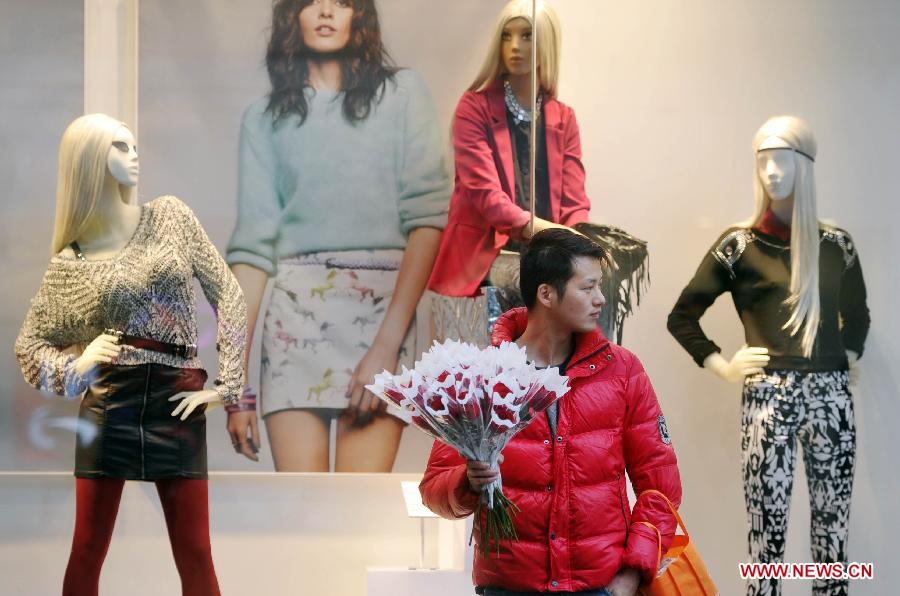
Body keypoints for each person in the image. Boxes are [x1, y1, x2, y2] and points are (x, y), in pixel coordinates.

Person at [14, 113, 246, 596]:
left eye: (134, 145)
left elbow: (229, 293)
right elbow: (30, 348)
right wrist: (76, 368)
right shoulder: (70, 263)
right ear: (89, 162)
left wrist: (227, 386)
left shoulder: (170, 216)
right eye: (120, 147)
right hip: (109, 404)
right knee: (87, 550)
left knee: (197, 554)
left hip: (176, 398)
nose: (134, 155)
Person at [225, 0, 451, 471]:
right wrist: (235, 385)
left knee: (359, 509)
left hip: (383, 317)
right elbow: (251, 252)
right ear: (293, 16)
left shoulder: (404, 94)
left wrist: (387, 345)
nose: (326, 12)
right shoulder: (262, 118)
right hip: (293, 322)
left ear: (359, 15)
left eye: (342, 2)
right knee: (300, 512)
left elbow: (428, 221)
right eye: (312, 2)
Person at [667, 116, 869, 596]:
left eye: (781, 160)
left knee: (832, 531)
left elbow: (857, 314)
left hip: (831, 395)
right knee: (766, 533)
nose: (771, 172)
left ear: (805, 164)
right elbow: (682, 316)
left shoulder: (835, 244)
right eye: (763, 162)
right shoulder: (739, 245)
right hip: (767, 397)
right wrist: (723, 364)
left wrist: (849, 356)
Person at [421, 229, 682, 595]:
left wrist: (632, 575)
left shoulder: (623, 371)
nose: (600, 299)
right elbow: (434, 489)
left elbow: (661, 488)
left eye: (599, 286)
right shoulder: (481, 377)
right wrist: (468, 481)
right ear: (546, 294)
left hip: (600, 587)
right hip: (509, 587)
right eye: (587, 288)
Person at [426, 0, 592, 346]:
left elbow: (576, 202)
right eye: (506, 35)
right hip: (482, 268)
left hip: (546, 264)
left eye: (527, 35)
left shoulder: (563, 117)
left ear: (546, 42)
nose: (514, 46)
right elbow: (487, 198)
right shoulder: (474, 108)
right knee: (480, 388)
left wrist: (574, 242)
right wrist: (556, 233)